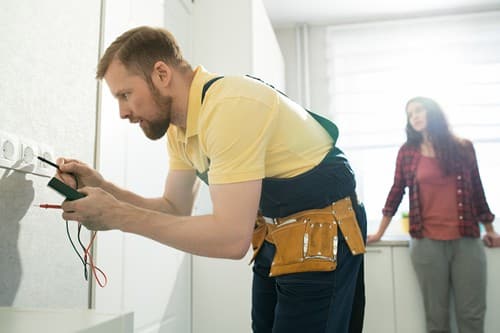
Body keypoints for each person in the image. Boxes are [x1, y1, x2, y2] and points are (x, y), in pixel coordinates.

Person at [55, 26, 367, 333]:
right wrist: (102, 188)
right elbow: (173, 207)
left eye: (125, 94)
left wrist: (118, 215)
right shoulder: (180, 129)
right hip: (274, 230)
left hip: (323, 225)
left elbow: (231, 239)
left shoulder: (231, 106)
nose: (122, 111)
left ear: (161, 75)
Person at [367, 96, 498, 333]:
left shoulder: (463, 148)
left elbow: (478, 191)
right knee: (436, 319)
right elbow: (396, 192)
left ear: (433, 113)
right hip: (426, 245)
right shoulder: (407, 152)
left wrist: (490, 230)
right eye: (410, 114)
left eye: (419, 110)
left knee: (472, 316)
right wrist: (379, 232)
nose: (414, 116)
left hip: (466, 242)